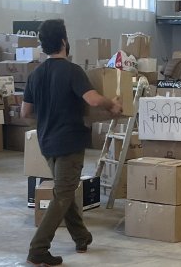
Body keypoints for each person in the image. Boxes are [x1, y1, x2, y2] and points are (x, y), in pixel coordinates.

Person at [21, 19, 122, 266]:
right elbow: (94, 100)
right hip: (69, 142)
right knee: (63, 195)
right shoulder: (73, 71)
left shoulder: (36, 74)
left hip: (47, 142)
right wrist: (113, 104)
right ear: (64, 41)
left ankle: (81, 237)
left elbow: (25, 112)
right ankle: (38, 249)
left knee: (64, 190)